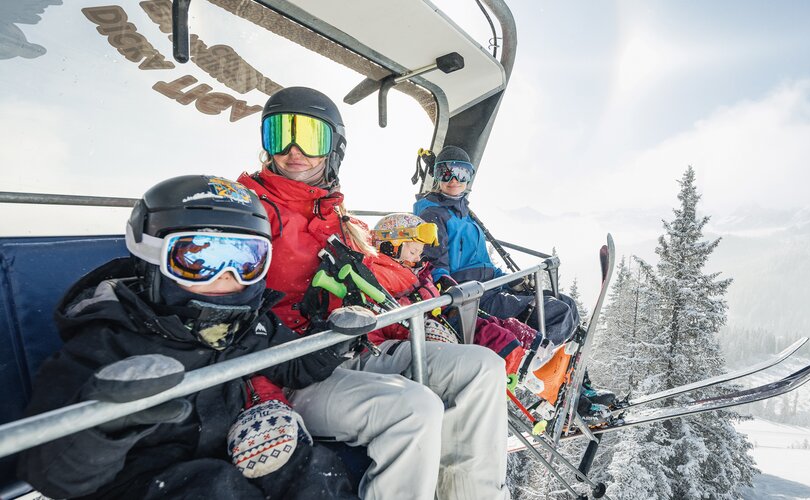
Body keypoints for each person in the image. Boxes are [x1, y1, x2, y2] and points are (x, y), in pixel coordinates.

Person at [237, 87, 510, 500]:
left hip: (360, 348)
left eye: (310, 137)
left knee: (484, 367)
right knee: (417, 409)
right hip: (296, 372)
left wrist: (407, 326)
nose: (293, 150)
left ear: (334, 148)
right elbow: (229, 316)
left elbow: (384, 283)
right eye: (279, 134)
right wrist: (264, 397)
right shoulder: (250, 214)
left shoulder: (337, 217)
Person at [17, 175, 356, 499]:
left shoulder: (245, 323)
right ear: (152, 258)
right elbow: (52, 474)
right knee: (213, 488)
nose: (225, 276)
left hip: (225, 448)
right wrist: (110, 422)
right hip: (138, 481)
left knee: (310, 469)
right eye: (199, 258)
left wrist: (331, 343)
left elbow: (291, 365)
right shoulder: (105, 343)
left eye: (245, 260)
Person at [413, 145, 581, 347]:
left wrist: (510, 280)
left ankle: (559, 357)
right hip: (473, 296)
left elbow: (484, 264)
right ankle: (532, 363)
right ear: (437, 176)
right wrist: (448, 286)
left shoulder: (465, 214)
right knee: (556, 312)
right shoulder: (432, 215)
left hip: (491, 286)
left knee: (566, 303)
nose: (454, 180)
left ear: (469, 177)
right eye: (445, 173)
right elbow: (434, 265)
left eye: (461, 173)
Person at [369, 212, 527, 377]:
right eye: (413, 251)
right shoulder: (380, 272)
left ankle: (528, 355)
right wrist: (422, 296)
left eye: (419, 253)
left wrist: (437, 285)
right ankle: (512, 367)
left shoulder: (410, 269)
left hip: (437, 315)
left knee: (494, 326)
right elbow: (385, 312)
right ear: (390, 245)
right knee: (488, 335)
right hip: (421, 328)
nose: (417, 259)